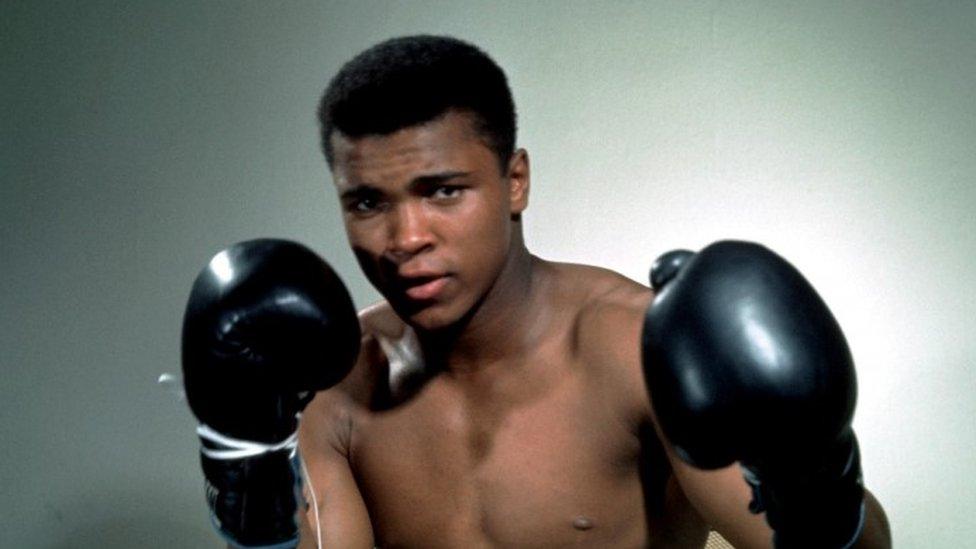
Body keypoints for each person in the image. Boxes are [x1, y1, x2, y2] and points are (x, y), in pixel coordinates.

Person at [184, 35, 893, 548]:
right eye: (368, 202)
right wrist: (244, 472)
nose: (405, 237)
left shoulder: (633, 349)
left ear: (514, 180)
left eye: (443, 191)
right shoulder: (333, 384)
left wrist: (814, 477)